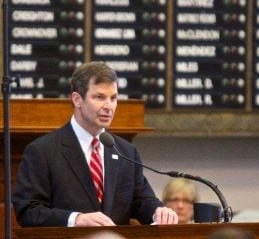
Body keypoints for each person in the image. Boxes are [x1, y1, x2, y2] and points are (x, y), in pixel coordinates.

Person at [12, 61, 178, 227]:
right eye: (99, 97)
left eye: (113, 98)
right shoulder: (43, 151)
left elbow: (141, 201)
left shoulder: (126, 151)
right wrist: (75, 219)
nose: (109, 106)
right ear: (77, 99)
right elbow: (28, 211)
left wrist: (158, 211)